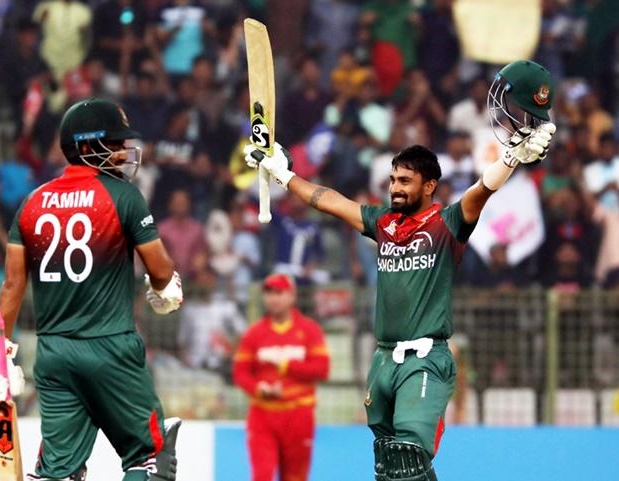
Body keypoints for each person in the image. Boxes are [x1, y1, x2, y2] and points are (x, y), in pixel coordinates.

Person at [245, 60, 556, 480]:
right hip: (383, 360)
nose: (394, 187)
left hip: (425, 361)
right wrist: (282, 173)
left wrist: (512, 158)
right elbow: (329, 200)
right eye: (392, 179)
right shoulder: (384, 224)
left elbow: (481, 191)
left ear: (429, 186)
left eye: (404, 181)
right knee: (388, 466)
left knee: (409, 455)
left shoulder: (447, 223)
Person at [0, 98, 184, 481]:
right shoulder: (123, 196)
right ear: (87, 147)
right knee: (151, 459)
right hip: (111, 348)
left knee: (58, 471)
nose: (123, 152)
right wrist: (165, 290)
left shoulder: (32, 203)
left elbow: (12, 285)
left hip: (54, 355)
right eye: (114, 144)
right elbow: (161, 269)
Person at [233, 273, 330, 481]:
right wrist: (259, 389)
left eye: (279, 292)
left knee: (295, 477)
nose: (273, 298)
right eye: (268, 293)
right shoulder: (254, 334)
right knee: (262, 476)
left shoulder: (309, 330)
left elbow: (322, 369)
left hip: (298, 414)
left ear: (292, 296)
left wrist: (286, 365)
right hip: (262, 416)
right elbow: (240, 373)